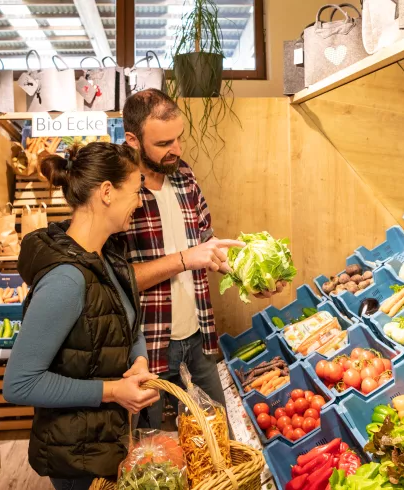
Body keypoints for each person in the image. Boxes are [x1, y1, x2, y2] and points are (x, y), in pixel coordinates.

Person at [121, 89, 286, 429]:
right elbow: (117, 280)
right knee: (160, 451)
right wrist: (184, 258)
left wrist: (250, 277)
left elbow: (206, 243)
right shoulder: (119, 190)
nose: (176, 150)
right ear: (133, 140)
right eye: (164, 143)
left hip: (198, 337)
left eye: (179, 138)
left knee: (218, 434)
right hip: (147, 348)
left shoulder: (184, 175)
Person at [3, 142, 160, 490]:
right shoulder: (66, 280)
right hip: (77, 461)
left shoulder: (105, 257)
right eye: (136, 191)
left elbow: (127, 323)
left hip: (107, 443)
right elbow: (19, 383)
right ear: (107, 192)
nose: (139, 201)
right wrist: (113, 391)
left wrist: (139, 360)